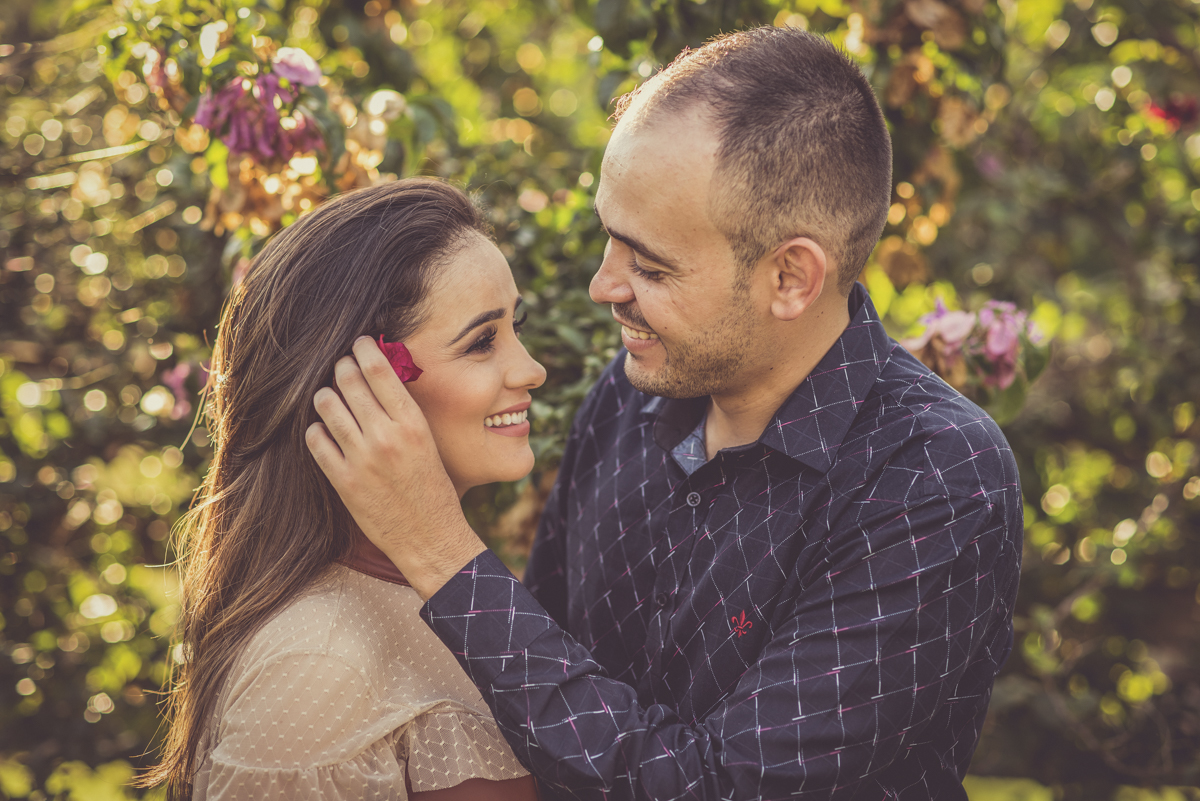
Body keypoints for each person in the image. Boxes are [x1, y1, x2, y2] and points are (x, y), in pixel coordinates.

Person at [308, 27, 1023, 800]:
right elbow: (535, 685)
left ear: (790, 277)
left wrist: (439, 550)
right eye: (610, 239)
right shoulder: (630, 396)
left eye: (649, 265)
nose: (604, 285)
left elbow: (714, 786)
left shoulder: (932, 477)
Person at [146, 178, 545, 801]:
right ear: (358, 387)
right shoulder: (313, 668)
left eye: (514, 328)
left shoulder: (449, 587)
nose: (532, 370)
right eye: (482, 342)